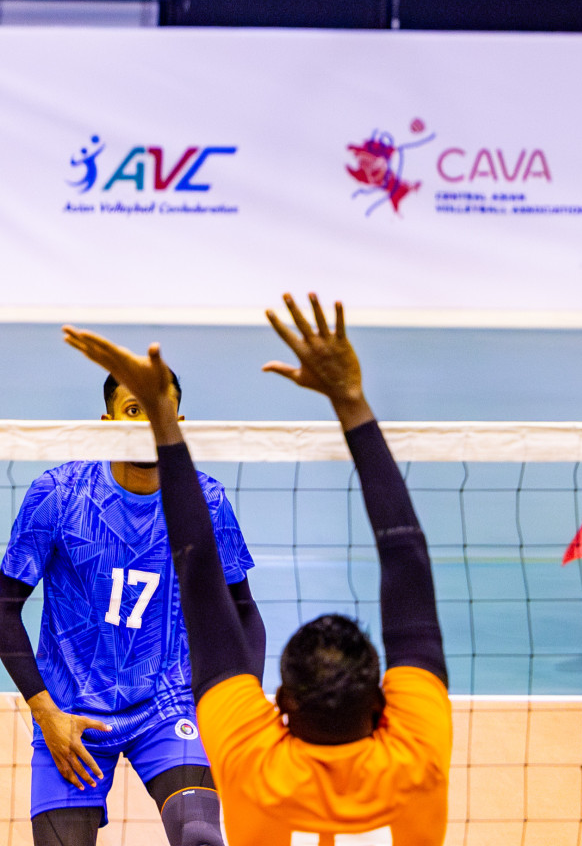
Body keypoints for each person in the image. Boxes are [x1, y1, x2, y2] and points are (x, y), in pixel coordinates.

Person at [59, 293, 451, 846]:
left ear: (281, 706)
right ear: (384, 705)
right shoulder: (420, 756)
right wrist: (352, 400)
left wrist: (159, 420)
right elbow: (406, 556)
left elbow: (196, 573)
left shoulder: (251, 760)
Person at [0, 370, 262, 846]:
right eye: (133, 410)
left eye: (157, 410)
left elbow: (243, 612)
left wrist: (243, 711)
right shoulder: (59, 496)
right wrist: (45, 713)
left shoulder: (206, 502)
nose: (146, 423)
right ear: (109, 422)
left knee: (201, 835)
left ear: (176, 422)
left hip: (168, 703)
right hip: (71, 709)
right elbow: (2, 608)